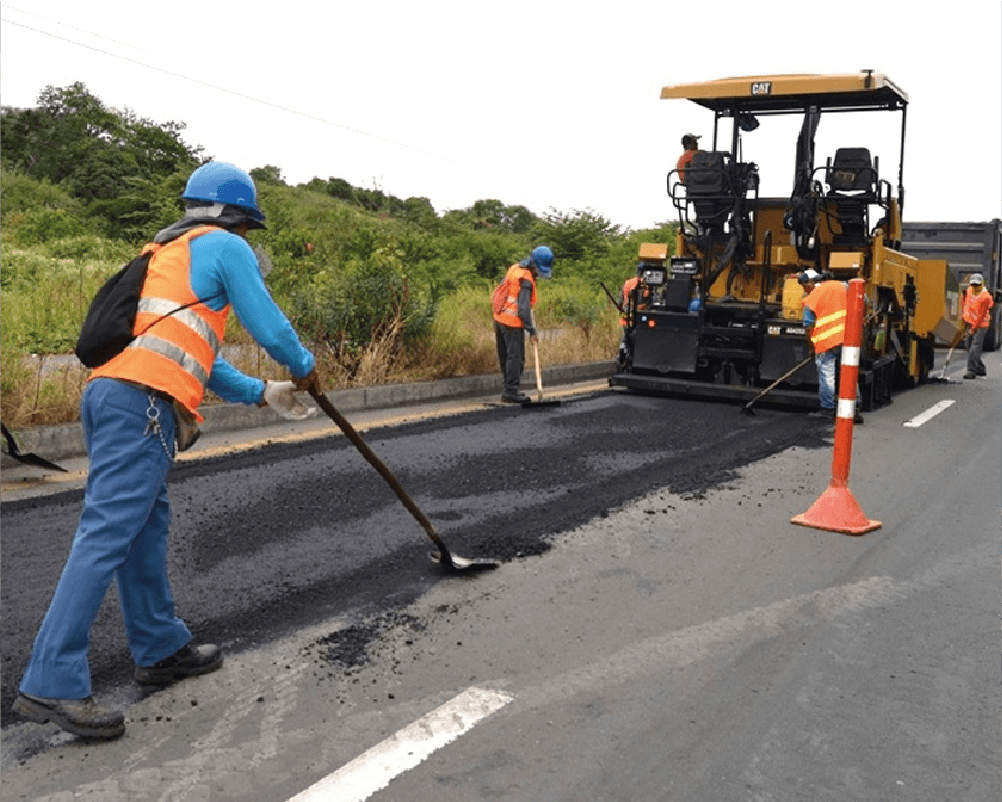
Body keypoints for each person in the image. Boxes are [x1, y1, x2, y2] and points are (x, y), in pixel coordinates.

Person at [12, 162, 319, 740]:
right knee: (106, 533)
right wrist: (304, 369)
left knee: (142, 528)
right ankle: (52, 679)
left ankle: (159, 647)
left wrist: (261, 394)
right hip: (141, 405)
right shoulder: (225, 247)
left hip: (115, 396)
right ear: (238, 217)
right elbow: (272, 329)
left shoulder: (166, 256)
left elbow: (193, 353)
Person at [800, 269, 864, 424]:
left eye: (804, 286)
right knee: (848, 372)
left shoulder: (811, 298)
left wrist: (811, 348)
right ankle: (853, 409)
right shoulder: (843, 286)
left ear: (810, 283)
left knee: (827, 376)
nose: (804, 290)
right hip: (848, 339)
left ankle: (827, 410)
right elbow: (864, 300)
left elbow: (808, 326)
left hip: (826, 342)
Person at [493, 246, 554, 403]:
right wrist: (531, 330)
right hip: (512, 324)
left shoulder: (514, 268)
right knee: (516, 358)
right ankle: (511, 392)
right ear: (534, 266)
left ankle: (509, 389)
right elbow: (523, 308)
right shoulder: (526, 279)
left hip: (499, 318)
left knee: (506, 356)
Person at [961, 272, 994, 379]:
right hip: (970, 322)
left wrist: (973, 328)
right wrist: (964, 318)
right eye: (973, 284)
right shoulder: (970, 290)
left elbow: (981, 315)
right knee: (969, 346)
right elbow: (965, 303)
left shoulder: (986, 297)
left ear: (982, 284)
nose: (974, 287)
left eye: (977, 285)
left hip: (981, 325)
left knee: (975, 347)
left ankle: (971, 371)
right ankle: (980, 368)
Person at [617, 265, 651, 366]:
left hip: (626, 316)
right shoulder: (647, 285)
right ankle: (633, 359)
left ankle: (622, 358)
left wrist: (622, 310)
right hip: (640, 318)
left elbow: (620, 301)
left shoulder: (627, 283)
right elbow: (649, 302)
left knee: (625, 339)